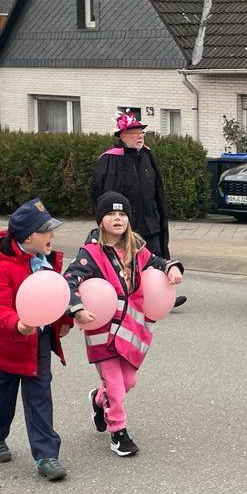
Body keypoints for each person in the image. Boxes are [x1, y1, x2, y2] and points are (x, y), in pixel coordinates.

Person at [63, 192, 183, 457]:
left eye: (122, 214)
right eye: (110, 214)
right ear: (100, 220)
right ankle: (118, 432)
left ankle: (99, 400)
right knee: (115, 385)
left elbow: (157, 262)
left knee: (128, 381)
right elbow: (69, 280)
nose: (117, 219)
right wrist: (77, 309)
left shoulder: (136, 248)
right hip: (103, 331)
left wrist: (172, 268)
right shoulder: (90, 253)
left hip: (130, 328)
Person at [0, 198, 72, 481]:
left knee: (39, 397)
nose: (52, 236)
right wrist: (17, 325)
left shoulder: (46, 261)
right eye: (46, 231)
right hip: (8, 343)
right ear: (29, 236)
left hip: (38, 342)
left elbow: (55, 297)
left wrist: (65, 320)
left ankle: (46, 455)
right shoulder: (1, 267)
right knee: (3, 396)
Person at [92, 111, 184, 307]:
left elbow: (157, 188)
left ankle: (163, 297)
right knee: (129, 262)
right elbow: (103, 194)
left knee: (157, 259)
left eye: (141, 133)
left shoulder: (147, 155)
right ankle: (130, 297)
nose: (140, 136)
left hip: (151, 219)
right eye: (134, 133)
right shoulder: (111, 159)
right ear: (123, 136)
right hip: (129, 223)